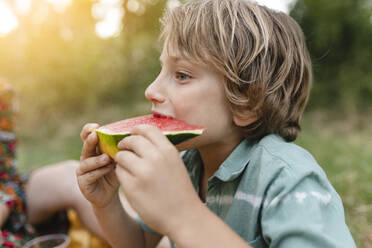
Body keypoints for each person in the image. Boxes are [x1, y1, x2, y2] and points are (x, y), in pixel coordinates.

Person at [77, 0, 356, 247]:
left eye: (182, 75)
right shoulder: (186, 164)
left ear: (247, 102)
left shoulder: (288, 180)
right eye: (161, 70)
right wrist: (107, 203)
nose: (151, 89)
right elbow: (138, 242)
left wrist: (185, 215)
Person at [0, 81, 105, 247]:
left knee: (72, 175)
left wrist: (4, 202)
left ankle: (150, 239)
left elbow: (5, 171)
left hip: (5, 195)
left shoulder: (2, 94)